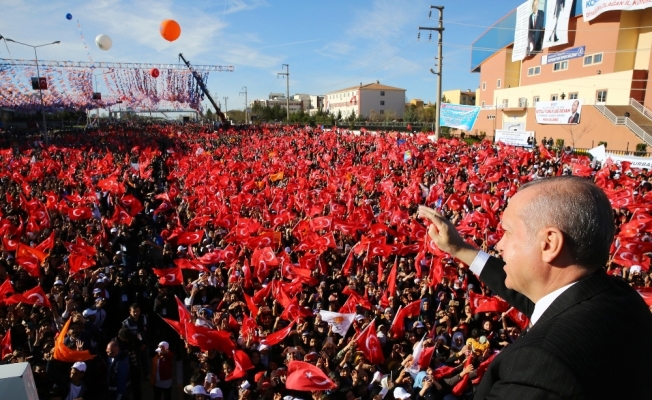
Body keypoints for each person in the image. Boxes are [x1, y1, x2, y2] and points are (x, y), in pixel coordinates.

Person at [418, 176, 652, 399]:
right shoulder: (621, 298)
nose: (499, 244)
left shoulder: (540, 365)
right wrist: (459, 248)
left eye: (508, 232)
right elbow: (536, 297)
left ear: (549, 244)